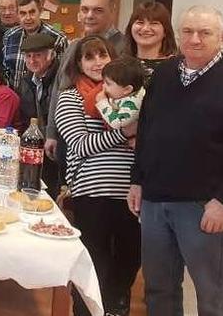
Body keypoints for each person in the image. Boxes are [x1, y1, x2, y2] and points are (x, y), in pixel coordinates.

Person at [128, 5, 223, 316]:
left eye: (205, 33)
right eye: (188, 31)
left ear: (221, 38)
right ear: (178, 34)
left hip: (203, 206)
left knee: (213, 295)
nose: (194, 39)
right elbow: (146, 129)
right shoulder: (165, 73)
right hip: (155, 201)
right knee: (159, 289)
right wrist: (137, 180)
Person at [53, 35, 138, 316]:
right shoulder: (70, 98)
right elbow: (79, 145)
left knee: (128, 262)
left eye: (103, 55)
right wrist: (125, 132)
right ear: (78, 63)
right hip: (92, 194)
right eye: (89, 57)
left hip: (131, 193)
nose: (97, 62)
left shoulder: (132, 96)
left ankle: (116, 310)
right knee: (94, 264)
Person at [45, 0, 126, 184]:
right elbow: (59, 88)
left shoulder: (124, 46)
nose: (89, 15)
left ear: (112, 11)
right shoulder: (73, 46)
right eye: (85, 9)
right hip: (70, 138)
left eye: (98, 10)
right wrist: (51, 133)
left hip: (107, 147)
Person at [14, 34, 59, 191]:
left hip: (56, 147)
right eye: (28, 56)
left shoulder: (61, 79)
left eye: (37, 56)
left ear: (50, 55)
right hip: (34, 146)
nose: (32, 61)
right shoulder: (26, 81)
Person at [2, 0, 68, 87]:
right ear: (17, 14)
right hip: (14, 97)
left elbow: (62, 75)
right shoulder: (9, 36)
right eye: (23, 13)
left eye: (32, 12)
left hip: (44, 98)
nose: (28, 18)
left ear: (40, 11)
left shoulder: (57, 38)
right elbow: (6, 70)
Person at [121, 1, 178, 88]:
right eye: (140, 22)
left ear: (166, 31)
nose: (145, 29)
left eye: (154, 23)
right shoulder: (119, 64)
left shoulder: (176, 67)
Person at [95, 58, 146, 130]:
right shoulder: (122, 94)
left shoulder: (133, 102)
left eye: (108, 84)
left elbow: (117, 123)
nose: (103, 86)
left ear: (127, 89)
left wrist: (102, 102)